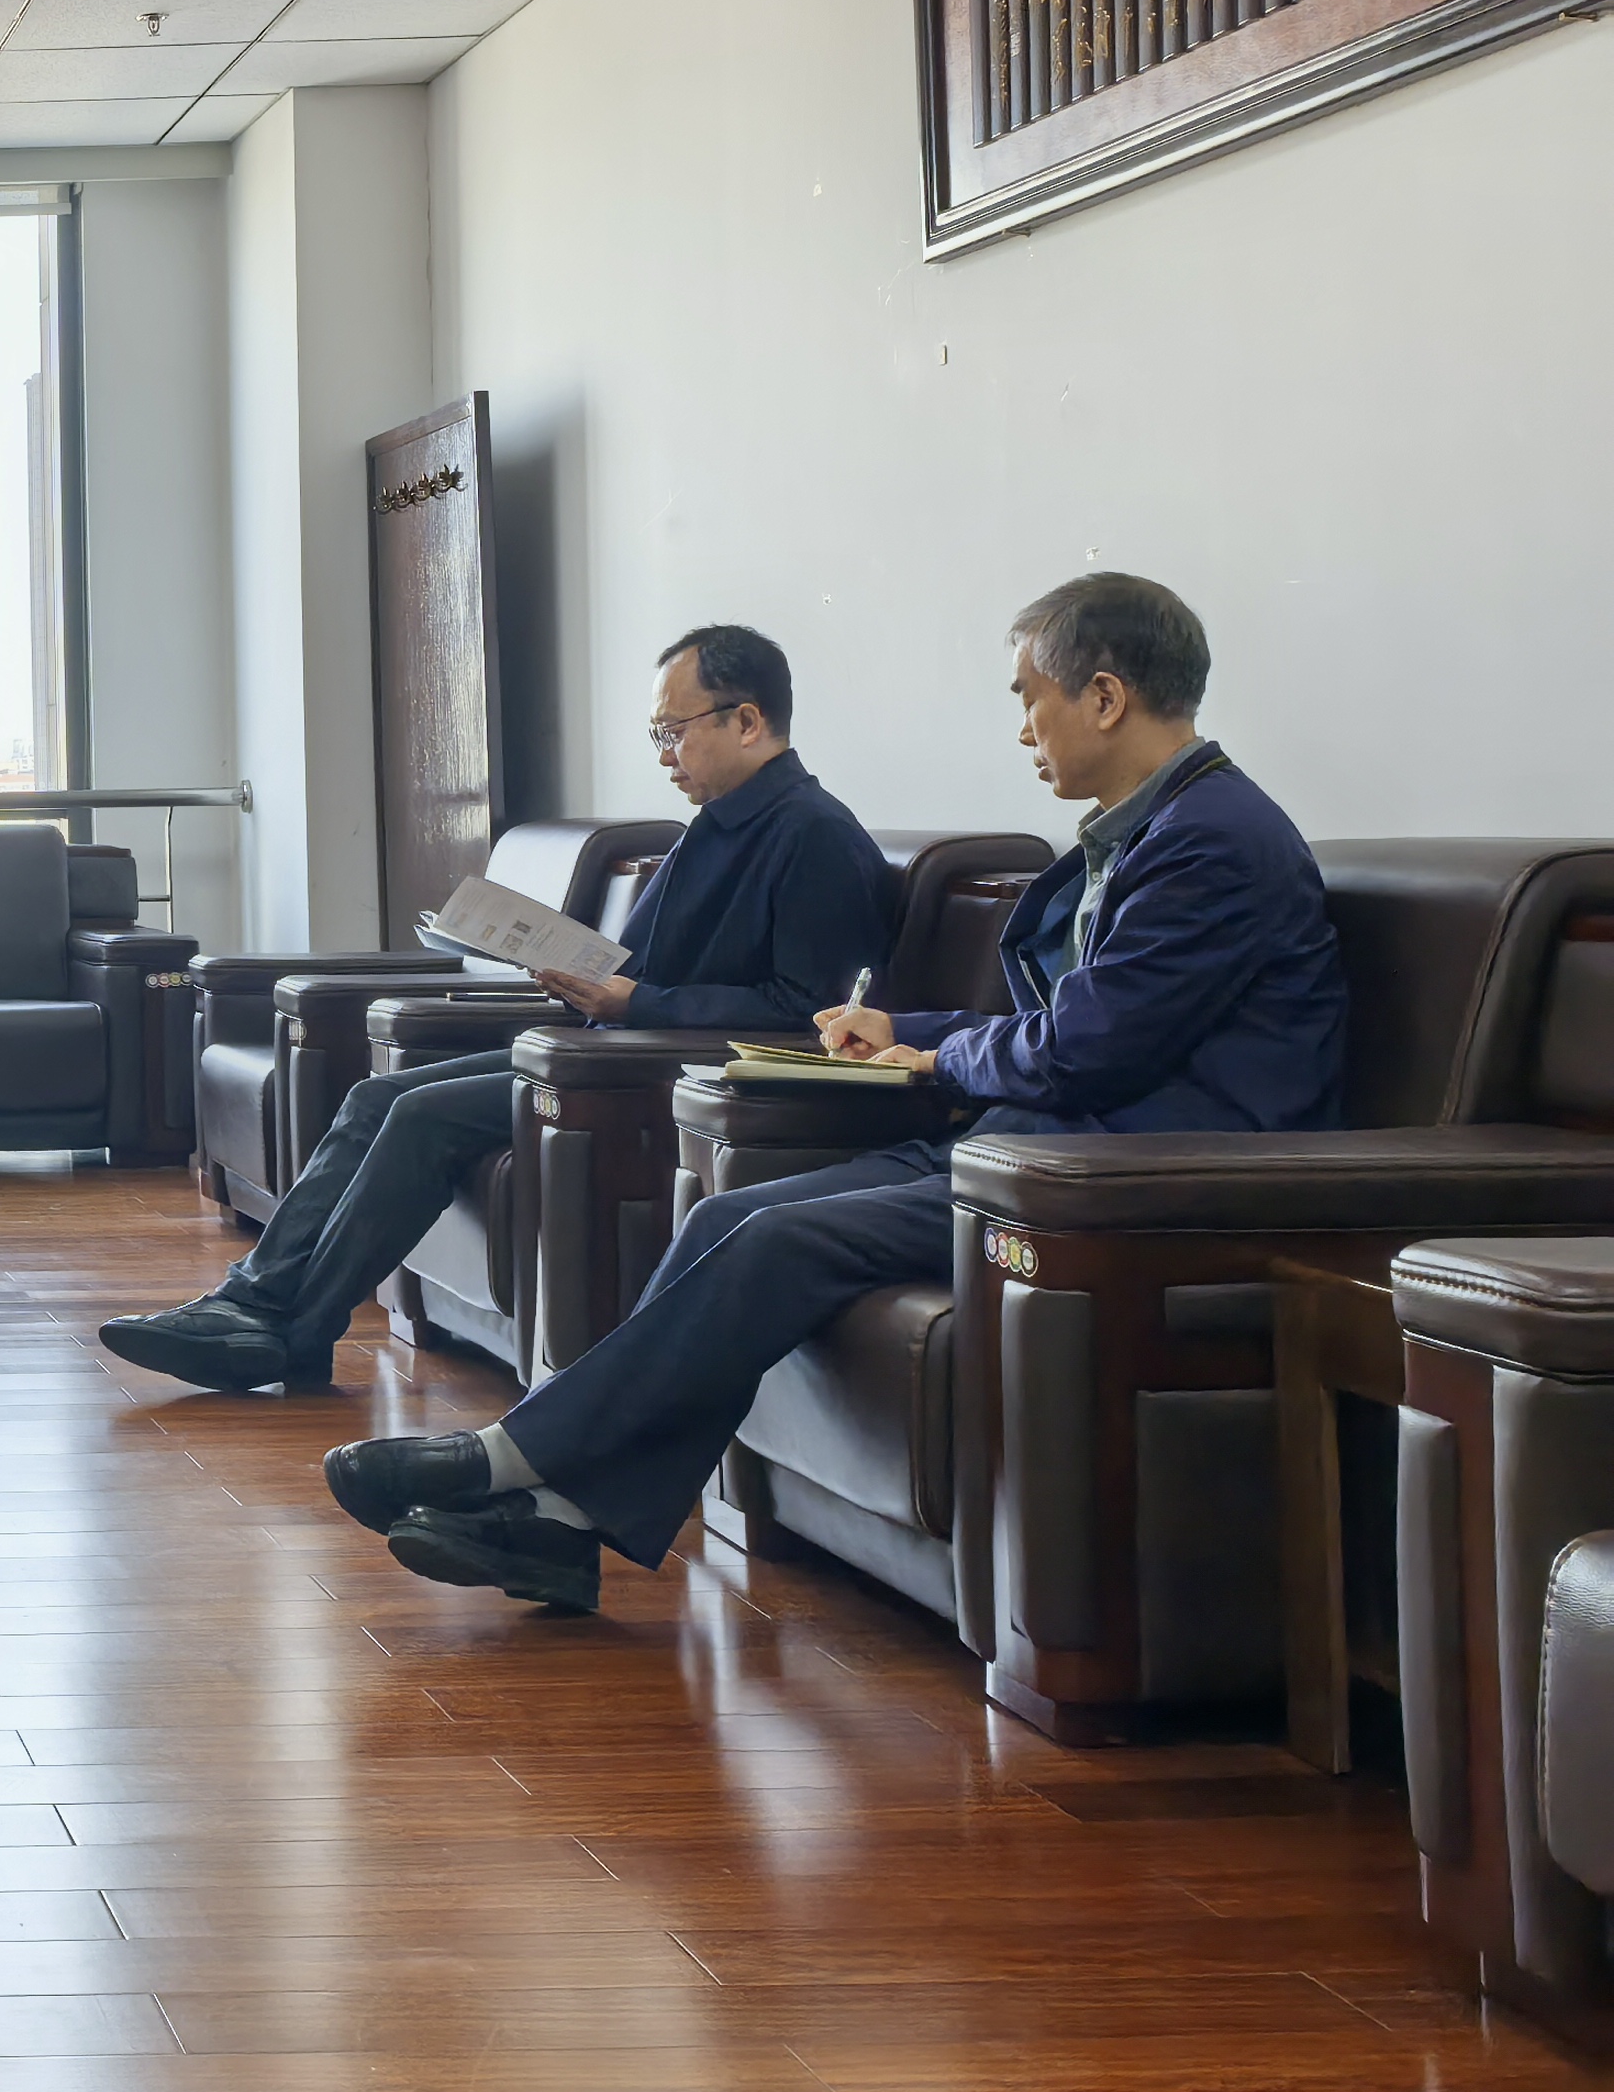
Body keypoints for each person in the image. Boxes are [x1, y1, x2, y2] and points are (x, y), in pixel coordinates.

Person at [321, 574, 1345, 1612]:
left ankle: (514, 1466)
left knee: (774, 1238)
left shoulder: (1211, 841)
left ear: (1106, 697)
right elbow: (1078, 1025)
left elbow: (1085, 1049)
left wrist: (938, 1060)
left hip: (1122, 1175)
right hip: (1039, 1145)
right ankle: (560, 1525)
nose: (1023, 728)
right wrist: (905, 1030)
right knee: (723, 1215)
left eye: (1029, 698)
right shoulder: (1153, 829)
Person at [102, 623, 891, 1395]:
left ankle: (286, 1330)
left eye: (673, 732)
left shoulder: (814, 837)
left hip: (666, 1080)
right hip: (607, 1049)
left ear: (747, 720)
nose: (663, 757)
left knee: (423, 1116)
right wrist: (584, 973)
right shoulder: (718, 826)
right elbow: (655, 965)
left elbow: (810, 1018)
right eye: (657, 735)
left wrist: (636, 999)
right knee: (377, 1097)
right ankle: (255, 1303)